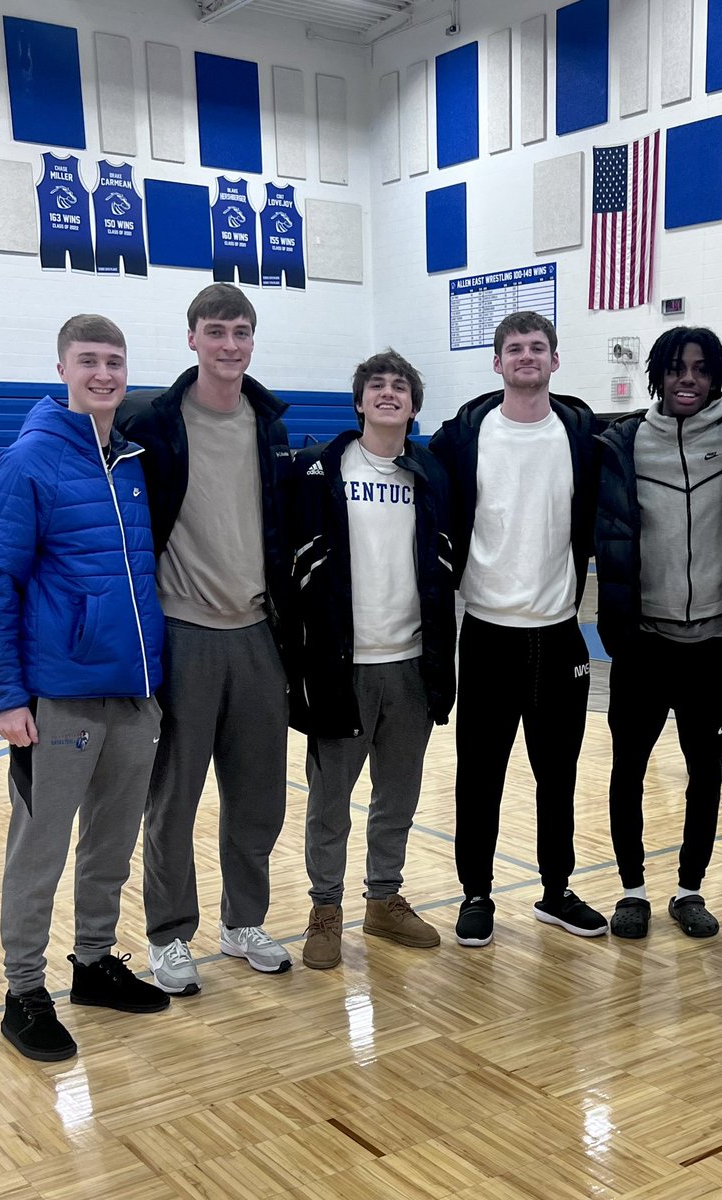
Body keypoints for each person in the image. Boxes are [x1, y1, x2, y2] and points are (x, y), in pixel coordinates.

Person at [0, 314, 168, 1061]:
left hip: (135, 691)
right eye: (89, 361)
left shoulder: (134, 459)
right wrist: (3, 695)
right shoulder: (30, 462)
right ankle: (23, 991)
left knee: (111, 846)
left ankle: (92, 965)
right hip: (59, 698)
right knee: (39, 851)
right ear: (62, 369)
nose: (104, 375)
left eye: (114, 362)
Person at [117, 284, 293, 992]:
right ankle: (168, 934)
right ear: (192, 338)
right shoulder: (151, 421)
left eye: (241, 332)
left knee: (258, 797)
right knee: (173, 799)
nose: (229, 344)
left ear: (253, 340)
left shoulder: (270, 423)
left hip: (257, 633)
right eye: (216, 331)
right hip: (183, 633)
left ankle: (242, 921)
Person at [430, 311, 606, 946]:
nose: (526, 356)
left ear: (555, 361)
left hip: (560, 634)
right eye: (514, 349)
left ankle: (556, 890)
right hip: (485, 634)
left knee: (557, 775)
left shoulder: (583, 437)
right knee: (480, 775)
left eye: (537, 347)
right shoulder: (464, 439)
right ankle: (476, 893)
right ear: (497, 363)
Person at [595, 328, 722, 938]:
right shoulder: (624, 443)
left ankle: (690, 890)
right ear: (658, 376)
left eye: (699, 368)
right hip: (644, 643)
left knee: (704, 773)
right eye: (675, 369)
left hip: (714, 645)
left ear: (716, 375)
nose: (687, 379)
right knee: (628, 772)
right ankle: (632, 892)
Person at [286, 350, 456, 968]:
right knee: (330, 799)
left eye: (401, 387)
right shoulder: (319, 468)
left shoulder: (431, 472)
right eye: (376, 386)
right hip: (341, 664)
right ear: (358, 402)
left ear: (414, 405)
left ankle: (383, 899)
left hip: (411, 660)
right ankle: (325, 907)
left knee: (398, 796)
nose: (389, 393)